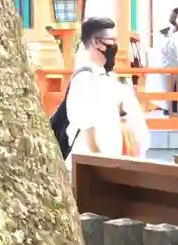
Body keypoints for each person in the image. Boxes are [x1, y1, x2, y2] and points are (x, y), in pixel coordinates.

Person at [64, 15, 150, 159]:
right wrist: (99, 159)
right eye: (111, 40)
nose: (114, 46)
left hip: (112, 155)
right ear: (96, 42)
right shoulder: (84, 78)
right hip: (93, 160)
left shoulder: (109, 77)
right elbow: (86, 126)